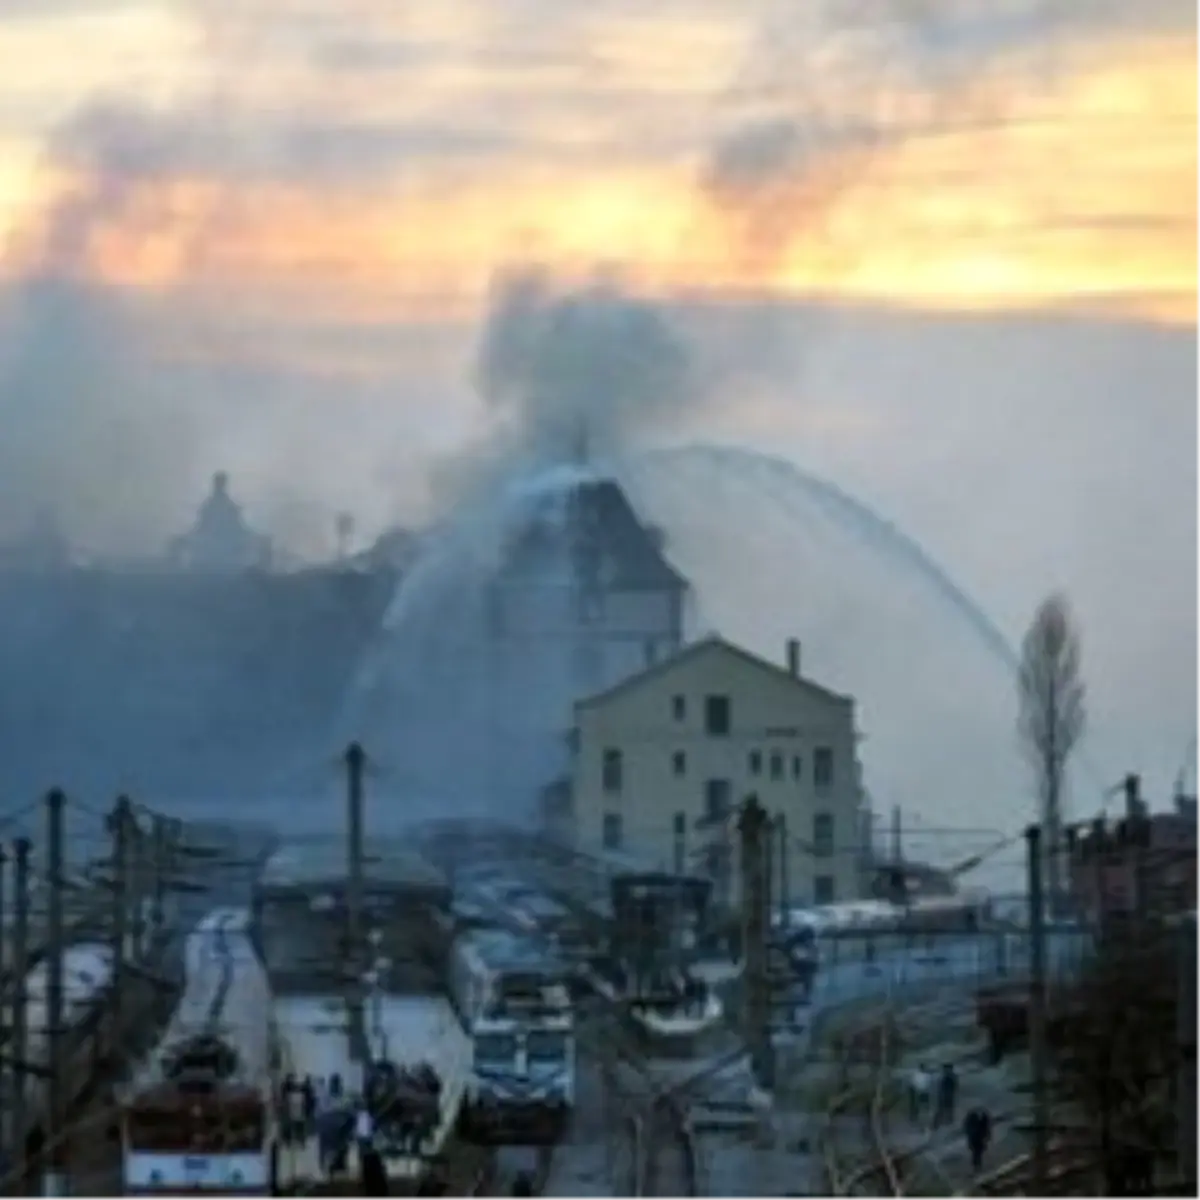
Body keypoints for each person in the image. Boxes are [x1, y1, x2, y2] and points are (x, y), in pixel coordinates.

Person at [964, 1106, 992, 1172]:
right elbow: (986, 1129)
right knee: (978, 1153)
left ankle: (976, 1166)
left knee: (976, 1153)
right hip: (978, 1138)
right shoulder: (982, 1121)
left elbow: (967, 1130)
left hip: (975, 1138)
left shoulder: (971, 1122)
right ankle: (977, 1166)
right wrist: (987, 1136)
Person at [934, 1063, 958, 1128]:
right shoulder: (949, 1076)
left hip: (947, 1095)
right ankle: (940, 1122)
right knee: (944, 1109)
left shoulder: (949, 1076)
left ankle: (946, 1121)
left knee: (947, 1109)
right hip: (945, 1095)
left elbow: (954, 1086)